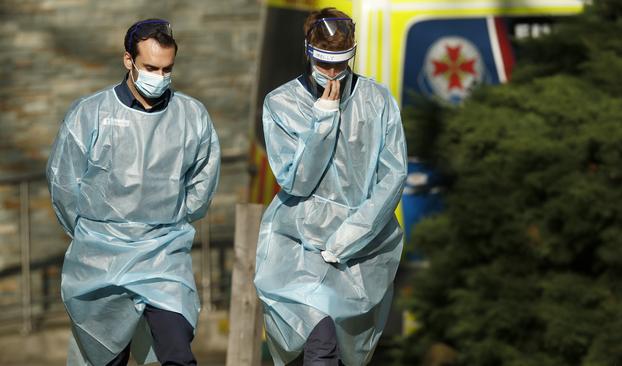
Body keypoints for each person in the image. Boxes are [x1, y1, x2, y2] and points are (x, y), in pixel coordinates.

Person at [46, 18, 220, 366]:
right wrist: (93, 234)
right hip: (102, 259)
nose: (160, 76)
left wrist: (172, 217)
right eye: (150, 67)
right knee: (106, 356)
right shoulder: (90, 114)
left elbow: (204, 178)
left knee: (178, 353)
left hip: (163, 255)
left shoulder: (191, 115)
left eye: (167, 69)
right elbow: (64, 184)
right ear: (128, 60)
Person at [254, 7, 407, 366]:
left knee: (344, 349)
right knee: (319, 340)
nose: (334, 73)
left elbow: (393, 175)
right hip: (300, 243)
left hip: (364, 245)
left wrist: (350, 236)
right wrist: (323, 118)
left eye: (341, 62)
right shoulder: (281, 104)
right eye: (325, 64)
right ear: (308, 52)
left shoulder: (377, 100)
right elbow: (296, 181)